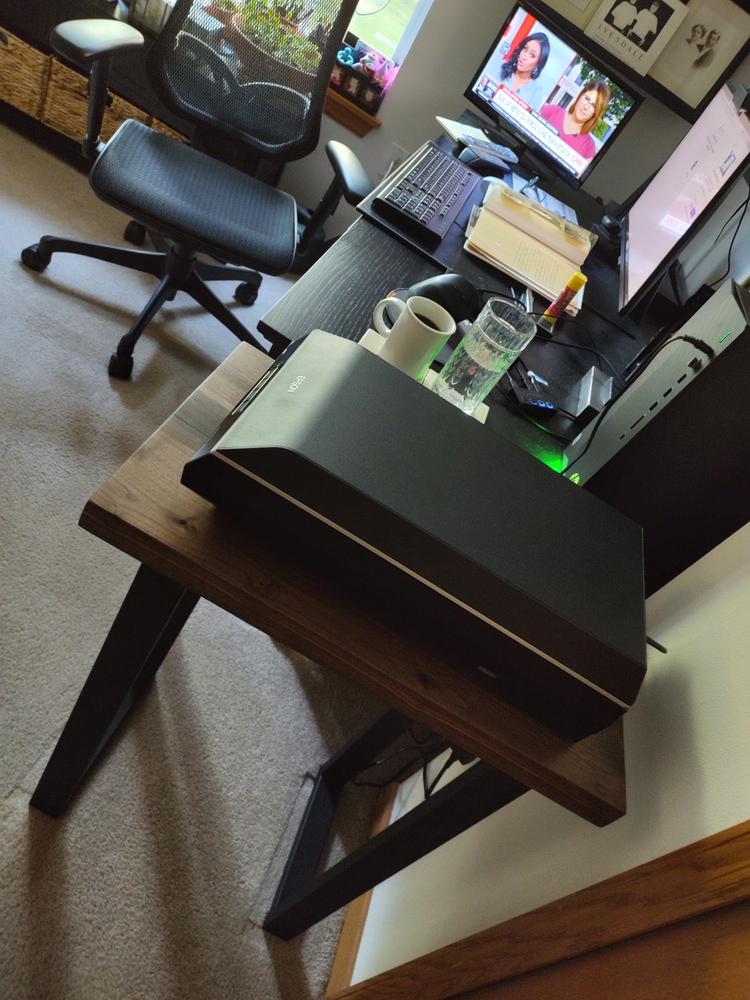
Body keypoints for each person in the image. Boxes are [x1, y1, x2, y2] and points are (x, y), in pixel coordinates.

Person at [540, 80, 611, 161]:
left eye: (593, 106)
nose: (586, 107)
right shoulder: (552, 111)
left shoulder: (589, 148)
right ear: (580, 95)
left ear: (596, 113)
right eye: (587, 99)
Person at [499, 31, 551, 109]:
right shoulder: (501, 67)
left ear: (538, 64)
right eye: (525, 49)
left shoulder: (537, 92)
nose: (524, 57)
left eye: (532, 55)